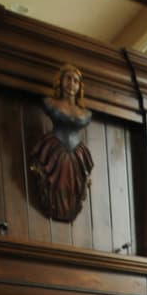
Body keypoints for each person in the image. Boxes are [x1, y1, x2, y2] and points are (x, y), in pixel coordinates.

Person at [30, 65, 94, 222]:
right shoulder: (50, 103)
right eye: (68, 78)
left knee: (75, 187)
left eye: (76, 81)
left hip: (77, 152)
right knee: (54, 185)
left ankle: (69, 210)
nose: (72, 83)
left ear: (80, 86)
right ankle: (56, 208)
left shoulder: (86, 113)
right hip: (55, 147)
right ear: (61, 81)